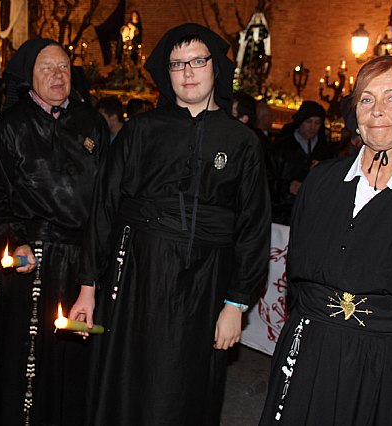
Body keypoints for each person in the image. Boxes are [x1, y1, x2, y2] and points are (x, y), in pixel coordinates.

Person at [70, 23, 271, 426]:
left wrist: (236, 303)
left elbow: (253, 227)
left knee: (188, 385)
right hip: (138, 276)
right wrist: (88, 287)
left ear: (216, 67)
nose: (189, 72)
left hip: (206, 282)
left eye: (198, 61)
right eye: (178, 64)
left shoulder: (242, 142)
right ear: (167, 73)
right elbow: (105, 206)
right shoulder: (141, 130)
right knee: (130, 377)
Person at [259, 56, 392, 425]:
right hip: (312, 347)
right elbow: (296, 274)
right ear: (355, 116)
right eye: (367, 99)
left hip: (389, 360)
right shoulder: (320, 183)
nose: (378, 110)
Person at [0, 39, 108, 426]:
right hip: (32, 259)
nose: (58, 75)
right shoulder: (10, 125)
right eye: (47, 67)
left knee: (76, 358)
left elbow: (105, 199)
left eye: (64, 66)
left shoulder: (91, 122)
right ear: (29, 76)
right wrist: (16, 238)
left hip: (83, 259)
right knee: (27, 356)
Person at [268, 101, 333, 224]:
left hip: (313, 215)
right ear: (300, 122)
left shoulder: (325, 152)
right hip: (283, 214)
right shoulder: (281, 148)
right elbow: (267, 181)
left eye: (317, 123)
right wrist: (287, 187)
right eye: (309, 122)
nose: (312, 127)